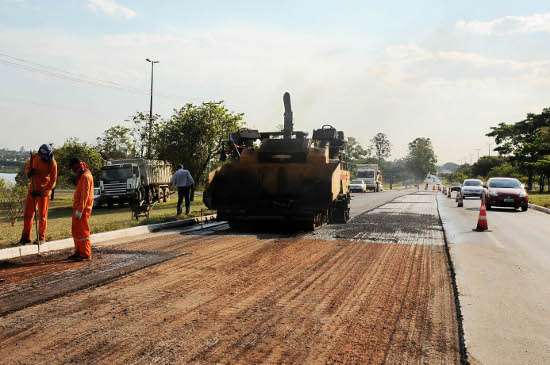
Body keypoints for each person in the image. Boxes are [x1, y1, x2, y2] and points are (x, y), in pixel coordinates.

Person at [19, 144, 57, 244]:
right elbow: (27, 167)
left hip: (43, 192)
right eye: (43, 156)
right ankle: (25, 238)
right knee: (28, 215)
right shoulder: (34, 158)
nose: (44, 158)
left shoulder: (52, 163)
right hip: (32, 190)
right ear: (40, 153)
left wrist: (46, 190)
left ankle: (41, 238)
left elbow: (53, 180)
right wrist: (29, 172)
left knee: (42, 216)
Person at [67, 158, 94, 261]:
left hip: (82, 209)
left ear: (77, 166)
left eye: (73, 168)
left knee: (83, 232)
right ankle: (78, 251)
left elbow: (84, 195)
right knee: (76, 231)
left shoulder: (86, 176)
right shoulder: (83, 175)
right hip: (78, 208)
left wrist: (80, 209)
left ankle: (85, 253)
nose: (73, 171)